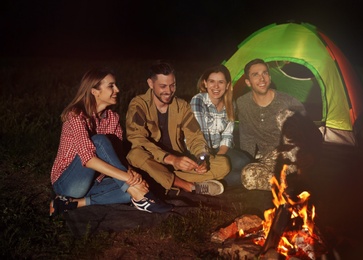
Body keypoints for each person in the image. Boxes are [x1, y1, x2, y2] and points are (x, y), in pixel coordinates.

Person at [50, 68, 173, 216]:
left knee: (131, 191)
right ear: (94, 91)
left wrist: (133, 177)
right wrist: (128, 179)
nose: (117, 89)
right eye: (111, 86)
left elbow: (118, 157)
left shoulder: (112, 118)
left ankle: (72, 203)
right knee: (99, 141)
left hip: (95, 183)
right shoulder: (76, 115)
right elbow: (88, 160)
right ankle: (141, 196)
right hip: (68, 184)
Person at [126, 61, 230, 196]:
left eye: (172, 85)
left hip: (176, 166)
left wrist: (202, 158)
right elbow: (137, 140)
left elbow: (195, 137)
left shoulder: (182, 106)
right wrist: (170, 159)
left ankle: (164, 182)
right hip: (151, 161)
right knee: (135, 155)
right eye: (163, 86)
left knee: (223, 164)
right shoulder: (139, 105)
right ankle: (188, 186)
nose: (169, 91)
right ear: (151, 84)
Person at [236, 58, 310, 190]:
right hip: (269, 159)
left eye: (265, 73)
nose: (262, 78)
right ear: (248, 82)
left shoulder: (288, 101)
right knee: (248, 175)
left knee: (285, 115)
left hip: (295, 154)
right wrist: (248, 162)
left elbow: (307, 133)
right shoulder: (243, 103)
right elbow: (247, 137)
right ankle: (286, 183)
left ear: (269, 77)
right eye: (256, 75)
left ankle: (299, 175)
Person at [190, 64, 251, 187]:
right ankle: (201, 182)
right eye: (212, 81)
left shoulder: (230, 104)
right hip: (198, 151)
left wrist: (219, 158)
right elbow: (200, 135)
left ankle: (209, 179)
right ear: (205, 83)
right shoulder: (198, 101)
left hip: (218, 150)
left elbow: (227, 136)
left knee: (244, 162)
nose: (216, 86)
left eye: (221, 82)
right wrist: (208, 160)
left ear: (227, 85)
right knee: (239, 177)